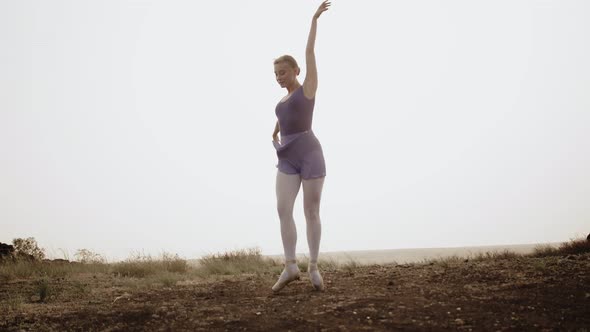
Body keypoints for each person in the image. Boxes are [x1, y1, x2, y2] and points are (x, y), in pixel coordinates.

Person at [271, 0, 331, 293]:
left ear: (294, 70)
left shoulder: (307, 89)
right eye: (276, 74)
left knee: (311, 211)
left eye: (283, 71)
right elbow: (282, 121)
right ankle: (290, 265)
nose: (279, 76)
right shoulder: (280, 103)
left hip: (309, 153)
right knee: (283, 208)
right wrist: (274, 135)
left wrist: (314, 20)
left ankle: (314, 267)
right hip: (287, 157)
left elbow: (310, 52)